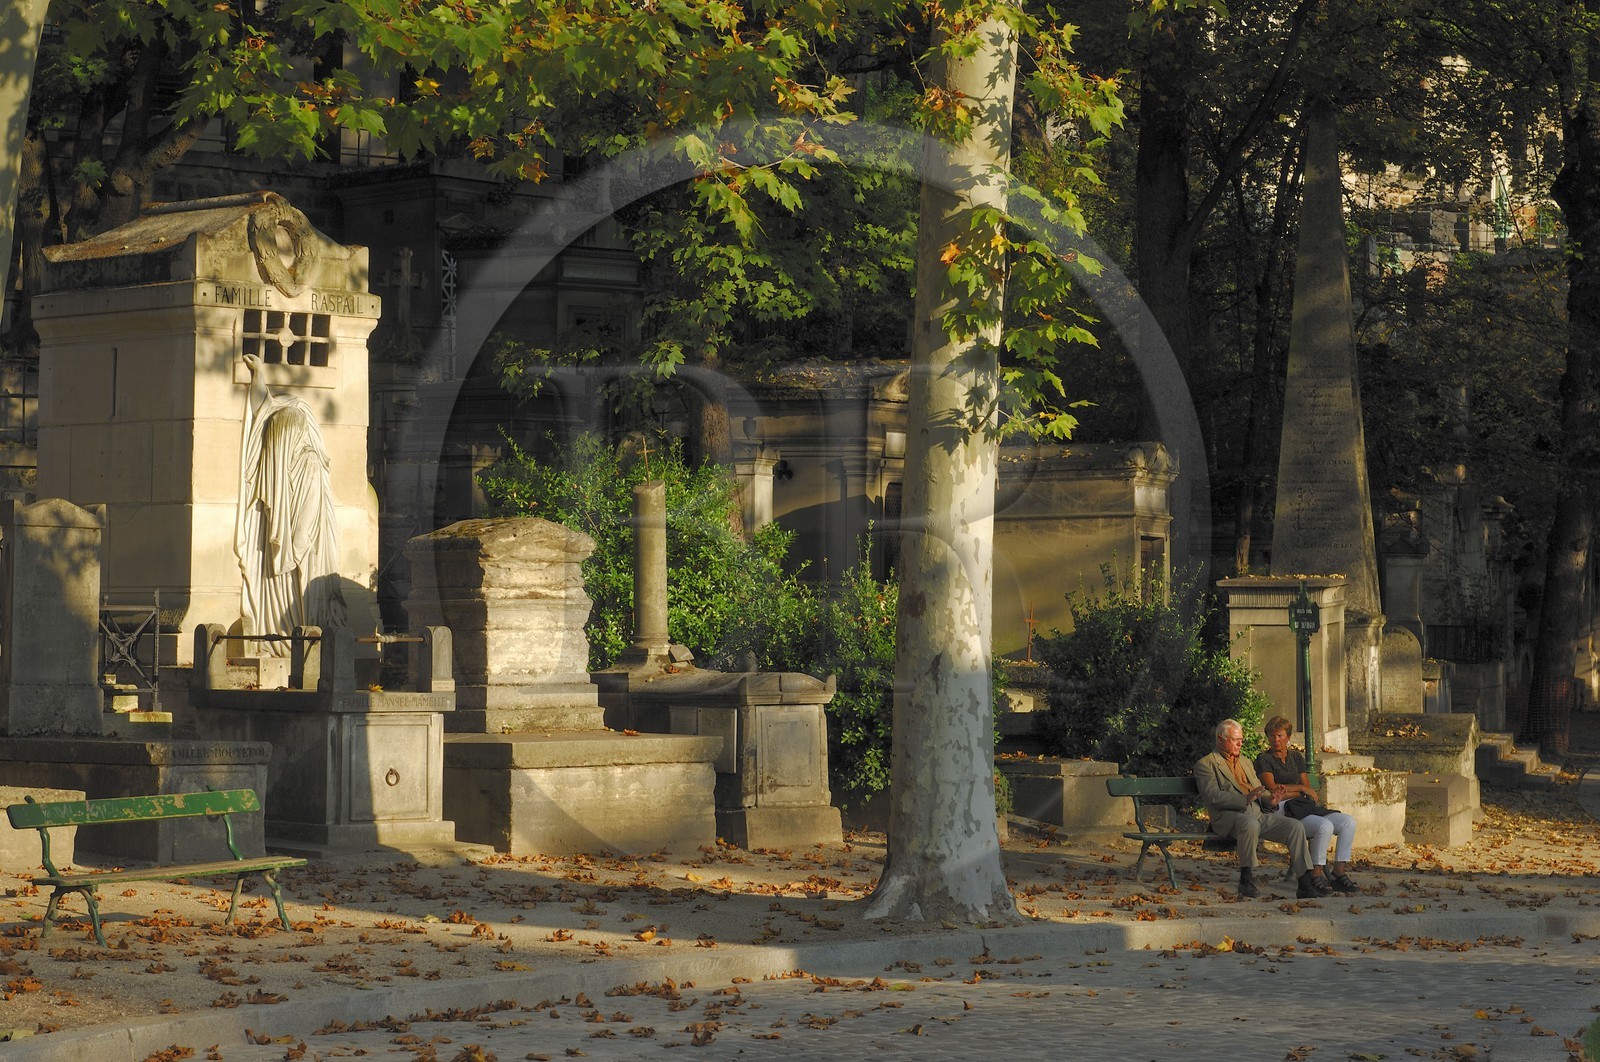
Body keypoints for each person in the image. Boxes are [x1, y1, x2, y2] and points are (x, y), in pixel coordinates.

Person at [235, 352, 345, 655]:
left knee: (306, 607)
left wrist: (289, 550)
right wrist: (258, 375)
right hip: (291, 554)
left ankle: (305, 650)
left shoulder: (309, 463)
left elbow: (305, 523)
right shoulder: (289, 459)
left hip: (306, 556)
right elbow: (263, 409)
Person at [1194, 718, 1331, 900]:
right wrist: (1244, 799)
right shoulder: (1206, 764)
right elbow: (1212, 796)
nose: (1240, 743)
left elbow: (1260, 789)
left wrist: (1272, 800)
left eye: (1241, 739)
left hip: (1257, 813)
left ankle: (1304, 883)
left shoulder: (1245, 762)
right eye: (1235, 740)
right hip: (1228, 817)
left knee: (1294, 827)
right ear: (1220, 739)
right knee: (1249, 823)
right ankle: (1246, 879)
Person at [1255, 715, 1360, 893]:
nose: (1275, 740)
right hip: (1280, 808)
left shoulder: (1296, 757)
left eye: (1280, 735)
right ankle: (1315, 874)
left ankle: (1338, 873)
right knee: (1324, 826)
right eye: (1272, 736)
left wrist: (1299, 790)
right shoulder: (1264, 759)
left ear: (1288, 737)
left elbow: (1308, 787)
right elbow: (1273, 789)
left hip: (1302, 806)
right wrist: (1300, 789)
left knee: (1348, 822)